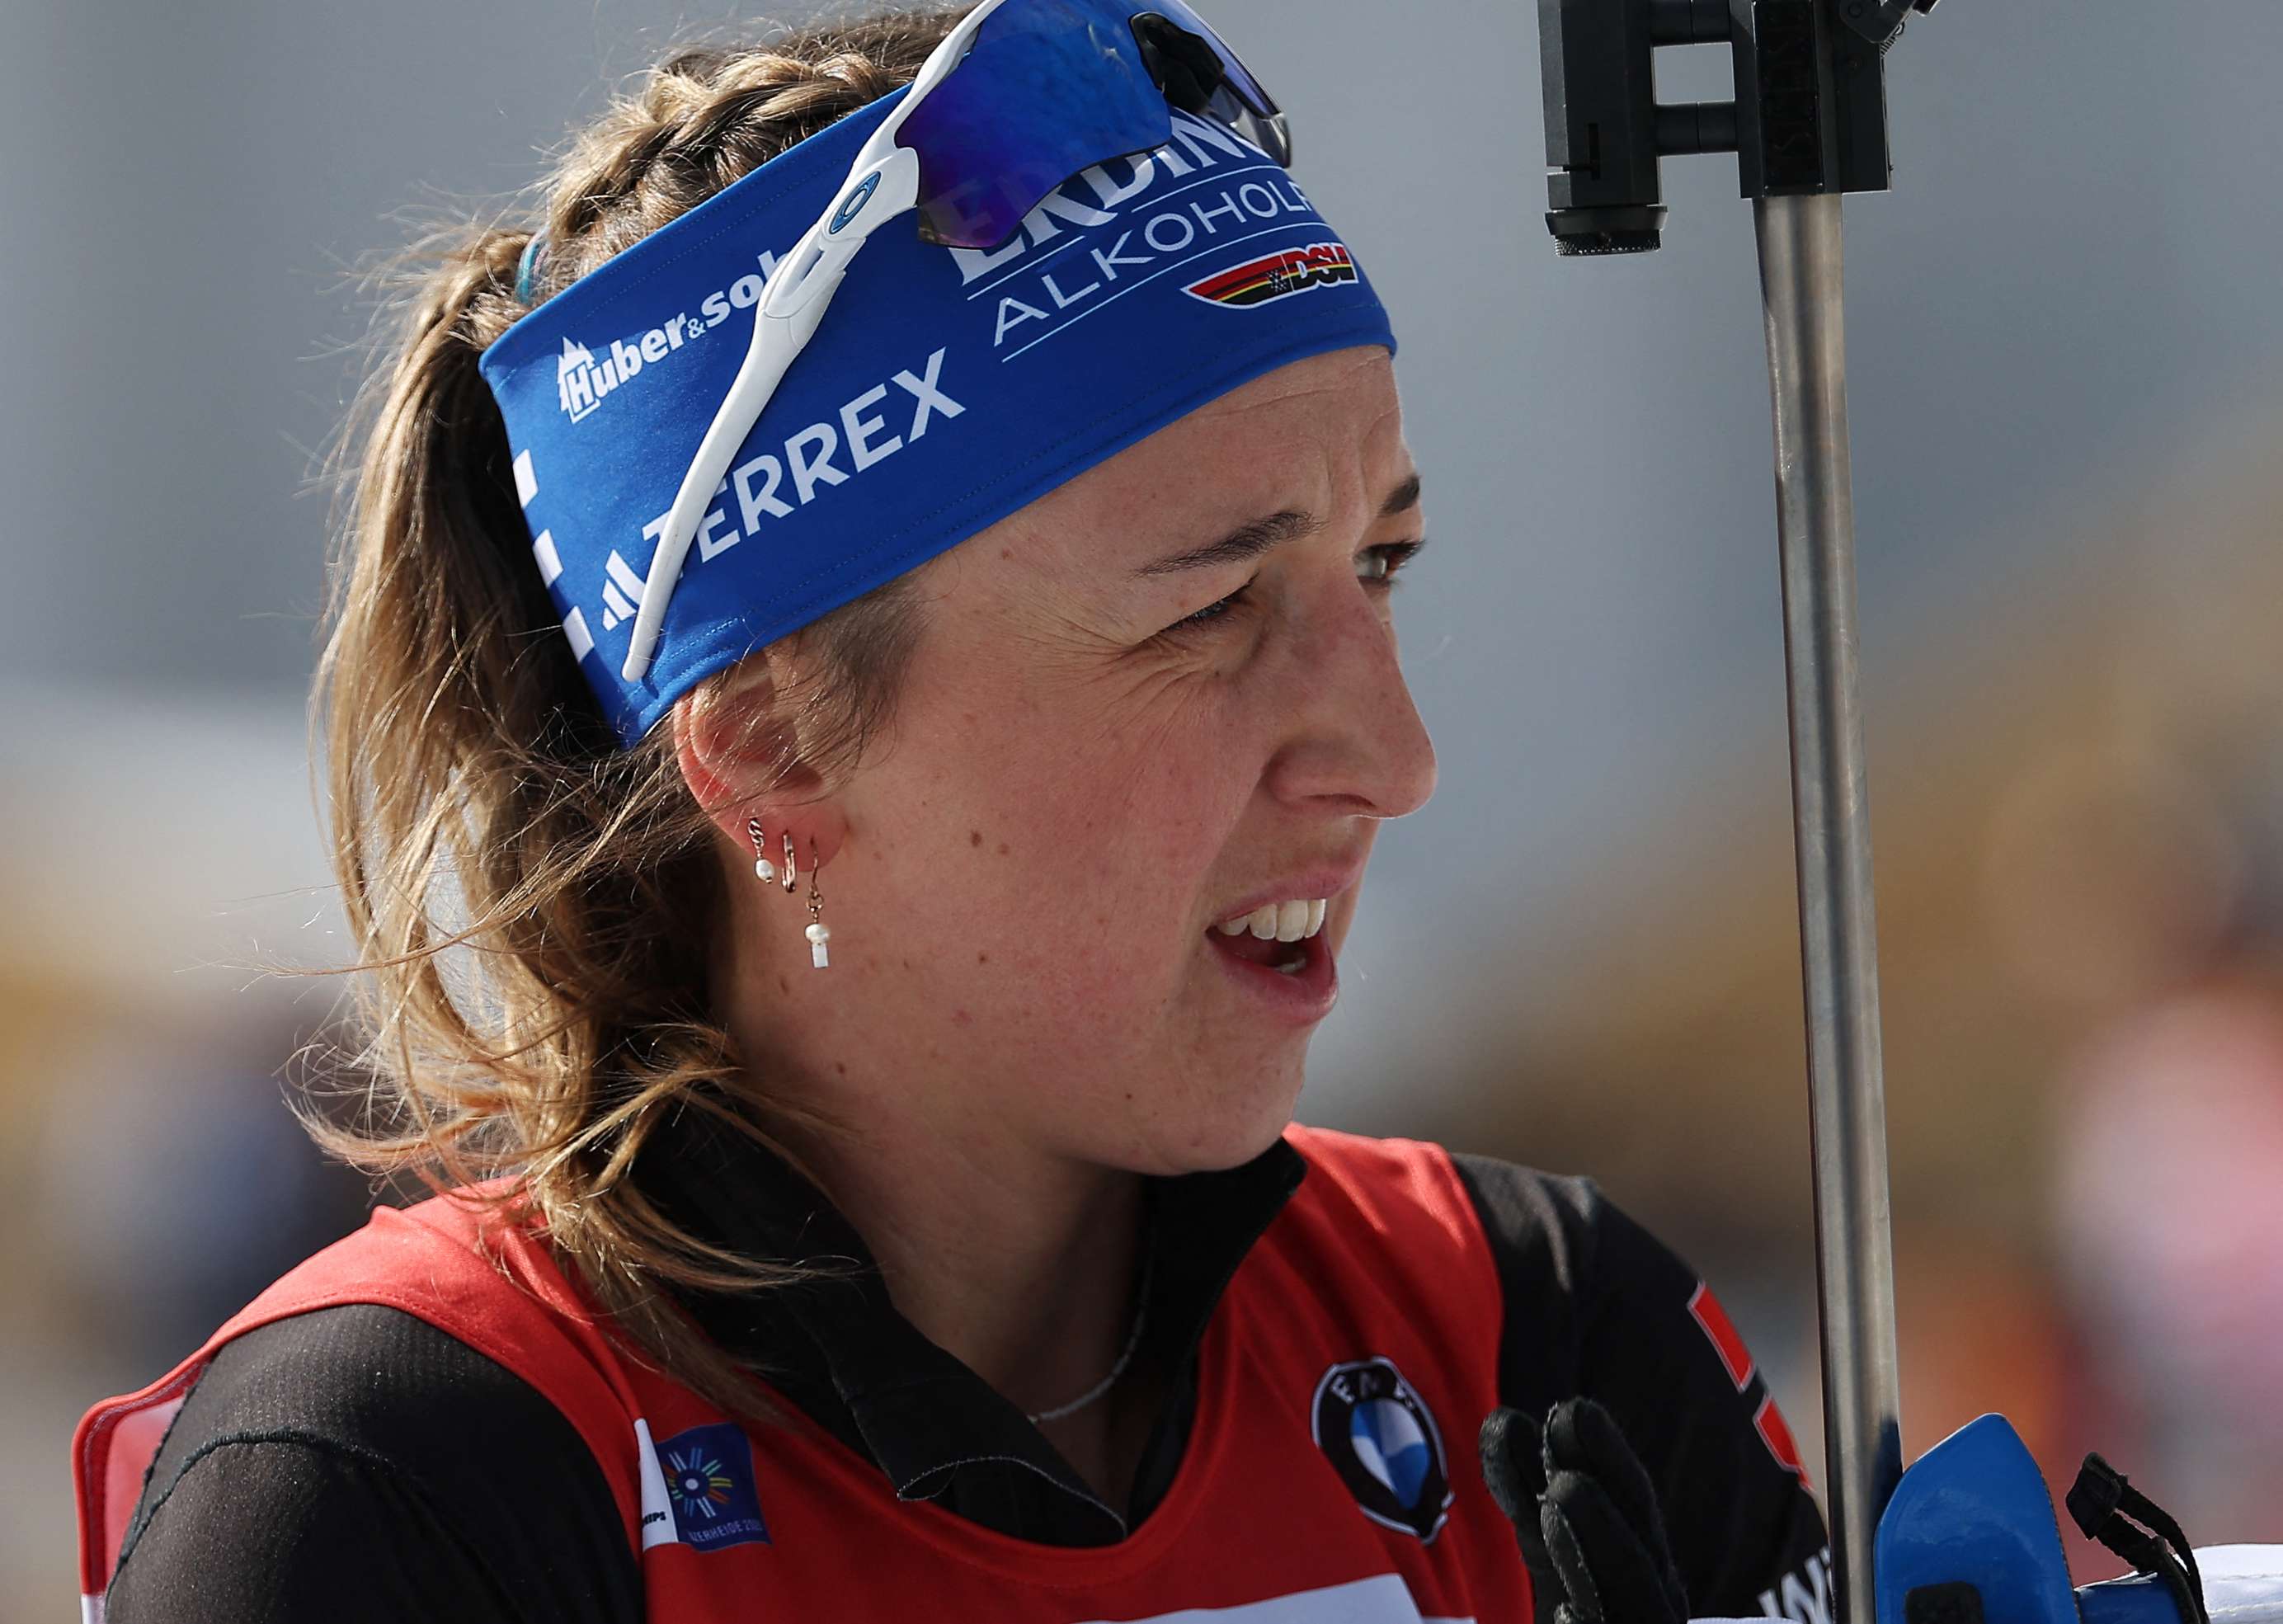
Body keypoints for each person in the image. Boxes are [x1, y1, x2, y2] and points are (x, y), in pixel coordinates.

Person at [71, 7, 1828, 1622]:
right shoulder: (409, 1472)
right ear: (768, 746)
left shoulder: (1527, 1329)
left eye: (1380, 562)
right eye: (1207, 612)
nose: (1389, 751)